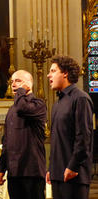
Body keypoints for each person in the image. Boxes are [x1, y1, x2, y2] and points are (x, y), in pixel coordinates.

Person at [46, 55, 94, 199]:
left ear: (65, 73)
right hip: (58, 173)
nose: (49, 75)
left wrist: (72, 166)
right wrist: (51, 168)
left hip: (74, 175)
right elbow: (56, 140)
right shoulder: (57, 103)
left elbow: (83, 138)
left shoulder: (80, 98)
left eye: (53, 71)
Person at [0, 70, 47, 199]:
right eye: (12, 81)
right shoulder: (11, 110)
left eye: (18, 81)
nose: (13, 84)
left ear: (29, 84)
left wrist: (21, 91)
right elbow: (6, 142)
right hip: (14, 172)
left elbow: (22, 108)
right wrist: (2, 168)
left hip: (32, 171)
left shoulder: (38, 104)